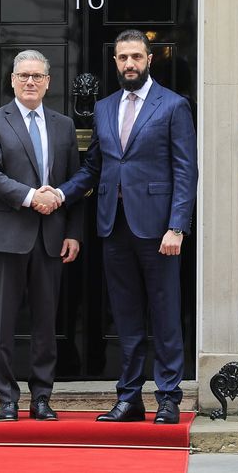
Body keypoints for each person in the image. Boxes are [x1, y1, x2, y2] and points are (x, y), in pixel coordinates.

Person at [51, 29, 197, 425]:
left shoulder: (173, 106)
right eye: (122, 58)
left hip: (159, 230)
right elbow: (93, 167)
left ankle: (168, 398)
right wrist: (61, 194)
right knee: (127, 317)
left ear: (149, 59)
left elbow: (186, 171)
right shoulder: (104, 108)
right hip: (113, 226)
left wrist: (177, 227)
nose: (129, 64)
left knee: (166, 315)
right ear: (114, 62)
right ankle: (129, 398)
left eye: (136, 56)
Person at [0, 50, 82, 422]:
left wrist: (73, 232)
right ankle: (6, 398)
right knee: (2, 323)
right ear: (13, 81)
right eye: (23, 76)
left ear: (48, 82)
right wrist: (31, 197)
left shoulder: (64, 125)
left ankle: (41, 397)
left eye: (37, 76)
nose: (30, 82)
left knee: (45, 324)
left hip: (51, 238)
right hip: (4, 236)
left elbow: (75, 183)